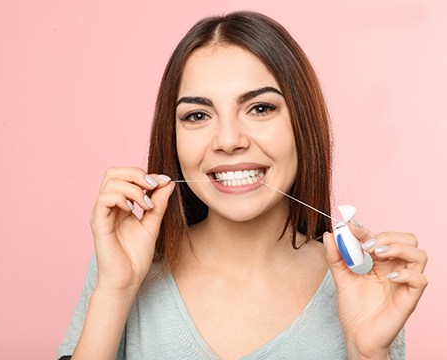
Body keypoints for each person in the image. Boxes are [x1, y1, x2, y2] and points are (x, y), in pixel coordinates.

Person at [58, 11, 428, 360]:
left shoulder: (365, 286)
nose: (229, 139)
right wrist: (115, 291)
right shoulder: (123, 268)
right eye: (198, 115)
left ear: (303, 123)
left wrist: (367, 354)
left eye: (260, 108)